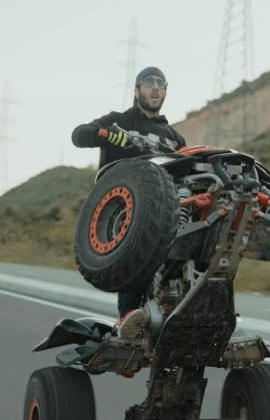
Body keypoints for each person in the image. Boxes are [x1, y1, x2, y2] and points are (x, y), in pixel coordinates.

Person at [71, 66, 186, 338]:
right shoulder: (120, 119)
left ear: (166, 91)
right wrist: (108, 134)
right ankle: (128, 321)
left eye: (161, 83)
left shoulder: (175, 137)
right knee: (139, 243)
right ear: (137, 90)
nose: (155, 87)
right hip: (124, 206)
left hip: (168, 208)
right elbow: (79, 134)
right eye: (148, 82)